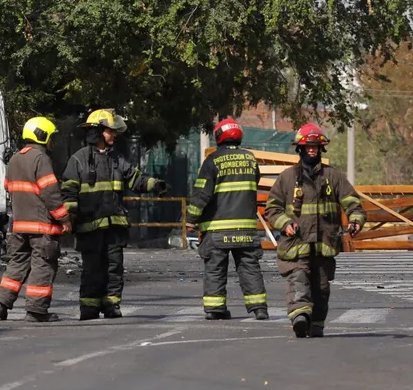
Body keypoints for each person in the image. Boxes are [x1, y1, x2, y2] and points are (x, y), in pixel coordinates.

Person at [61, 109, 168, 321]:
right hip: (89, 228)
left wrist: (155, 185)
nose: (114, 135)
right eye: (111, 131)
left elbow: (135, 179)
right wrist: (69, 218)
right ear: (99, 132)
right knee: (92, 270)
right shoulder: (79, 160)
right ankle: (89, 308)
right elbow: (69, 192)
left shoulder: (118, 160)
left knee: (114, 268)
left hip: (114, 228)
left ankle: (112, 305)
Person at [264, 123, 365, 338]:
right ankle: (300, 317)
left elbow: (353, 203)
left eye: (315, 147)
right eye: (308, 146)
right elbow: (272, 208)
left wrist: (356, 221)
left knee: (321, 288)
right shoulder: (287, 178)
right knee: (298, 277)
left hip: (324, 244)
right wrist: (285, 223)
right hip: (296, 244)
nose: (312, 150)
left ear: (321, 149)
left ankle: (316, 324)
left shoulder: (333, 177)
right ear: (299, 149)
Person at [187, 118, 269, 321]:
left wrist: (191, 219)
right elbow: (255, 182)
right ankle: (259, 308)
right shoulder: (250, 159)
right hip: (246, 230)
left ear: (218, 137)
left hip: (217, 229)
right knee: (249, 268)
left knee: (215, 268)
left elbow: (202, 194)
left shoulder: (212, 161)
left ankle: (215, 309)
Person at [0, 116, 71, 323]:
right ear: (42, 135)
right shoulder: (41, 158)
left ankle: (1, 303)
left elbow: (8, 186)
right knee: (42, 265)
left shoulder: (15, 158)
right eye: (50, 137)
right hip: (41, 227)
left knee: (17, 263)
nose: (51, 142)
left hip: (19, 226)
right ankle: (36, 310)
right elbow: (50, 193)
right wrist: (64, 219)